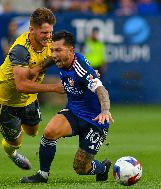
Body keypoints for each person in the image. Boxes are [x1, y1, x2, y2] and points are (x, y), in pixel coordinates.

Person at [21, 31, 114, 183]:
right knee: (49, 132)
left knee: (80, 168)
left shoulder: (81, 68)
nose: (54, 54)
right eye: (52, 50)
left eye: (58, 50)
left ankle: (102, 168)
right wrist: (38, 69)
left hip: (95, 121)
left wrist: (105, 110)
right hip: (74, 111)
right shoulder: (62, 60)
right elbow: (51, 59)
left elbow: (101, 89)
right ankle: (42, 175)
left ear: (71, 50)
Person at [0, 7, 63, 171]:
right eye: (44, 33)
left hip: (28, 100)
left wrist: (89, 72)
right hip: (4, 103)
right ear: (31, 30)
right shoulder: (20, 50)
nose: (48, 36)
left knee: (33, 132)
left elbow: (63, 55)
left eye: (50, 32)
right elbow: (21, 86)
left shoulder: (49, 43)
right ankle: (12, 152)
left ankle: (17, 127)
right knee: (17, 142)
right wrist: (54, 88)